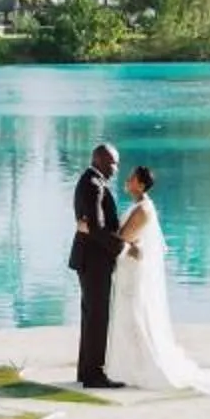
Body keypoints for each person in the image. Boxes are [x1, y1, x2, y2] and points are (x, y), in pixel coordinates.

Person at [102, 164, 202, 391]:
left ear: (141, 184)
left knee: (135, 317)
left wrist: (95, 232)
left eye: (131, 178)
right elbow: (127, 240)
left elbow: (122, 237)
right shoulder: (139, 206)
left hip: (133, 273)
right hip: (129, 266)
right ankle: (129, 366)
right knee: (129, 317)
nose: (127, 181)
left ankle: (142, 367)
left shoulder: (143, 210)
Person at [68, 141, 125, 389]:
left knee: (91, 315)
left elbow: (90, 225)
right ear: (99, 159)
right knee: (97, 316)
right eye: (113, 162)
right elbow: (96, 227)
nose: (116, 168)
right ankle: (94, 374)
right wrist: (121, 247)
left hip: (90, 259)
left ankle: (85, 371)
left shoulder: (92, 182)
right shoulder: (93, 184)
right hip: (94, 261)